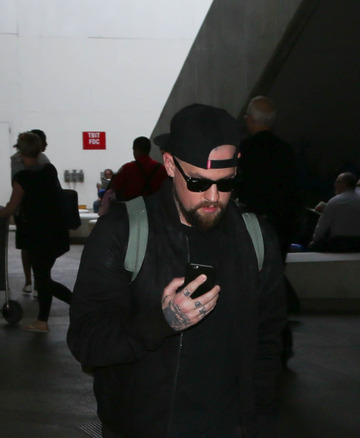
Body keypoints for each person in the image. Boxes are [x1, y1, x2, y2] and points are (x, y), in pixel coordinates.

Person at [67, 104, 288, 437]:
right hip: (144, 427)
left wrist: (259, 422)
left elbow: (269, 345)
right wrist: (161, 322)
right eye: (198, 182)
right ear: (169, 164)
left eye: (226, 183)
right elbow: (87, 341)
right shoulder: (123, 232)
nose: (213, 197)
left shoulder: (257, 238)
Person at [237, 95, 301, 366]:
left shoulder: (244, 150)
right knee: (274, 283)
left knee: (252, 287)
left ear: (251, 119)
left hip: (252, 227)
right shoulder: (287, 151)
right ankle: (282, 345)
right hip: (281, 227)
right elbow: (295, 193)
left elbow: (237, 188)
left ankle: (256, 345)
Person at [0, 132, 71, 333]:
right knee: (43, 277)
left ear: (20, 152)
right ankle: (42, 320)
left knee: (43, 279)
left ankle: (76, 304)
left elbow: (11, 208)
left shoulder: (22, 177)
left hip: (38, 236)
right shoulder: (49, 170)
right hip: (57, 232)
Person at [10, 129, 51, 297]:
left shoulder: (25, 172)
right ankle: (35, 283)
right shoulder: (46, 167)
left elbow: (13, 202)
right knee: (34, 250)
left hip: (30, 214)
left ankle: (37, 283)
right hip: (39, 216)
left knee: (31, 249)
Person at [308, 172, 360, 252]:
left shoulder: (334, 202)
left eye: (337, 182)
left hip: (339, 243)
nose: (335, 185)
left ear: (343, 184)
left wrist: (315, 241)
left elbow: (323, 224)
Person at [110, 136, 167, 202]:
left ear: (136, 150)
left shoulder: (127, 168)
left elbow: (116, 187)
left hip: (134, 207)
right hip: (155, 206)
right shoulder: (161, 169)